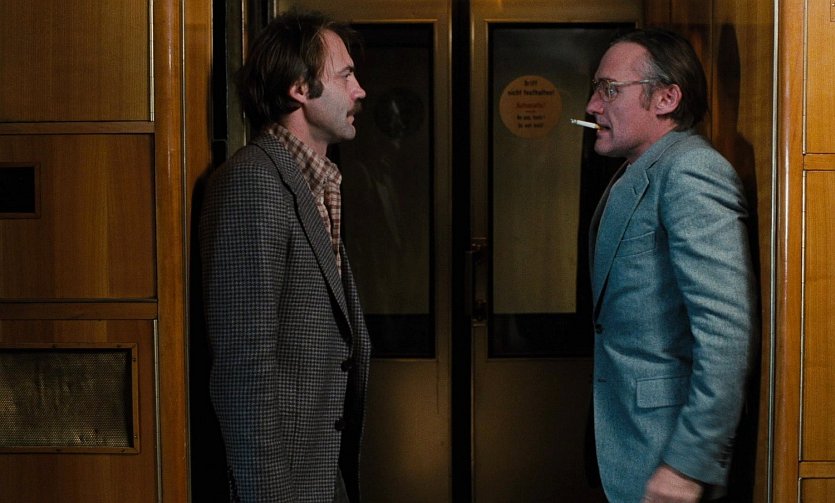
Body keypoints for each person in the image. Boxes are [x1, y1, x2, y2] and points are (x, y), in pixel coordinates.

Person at [199, 10, 371, 502]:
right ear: (299, 88)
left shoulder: (312, 181)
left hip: (320, 472)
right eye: (345, 76)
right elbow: (243, 369)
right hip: (283, 484)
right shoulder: (253, 183)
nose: (359, 90)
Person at [586, 28, 757, 502]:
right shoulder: (641, 167)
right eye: (596, 89)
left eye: (609, 90)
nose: (593, 105)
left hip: (666, 452)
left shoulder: (691, 171)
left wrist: (687, 465)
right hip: (628, 439)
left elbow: (725, 331)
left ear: (666, 98)